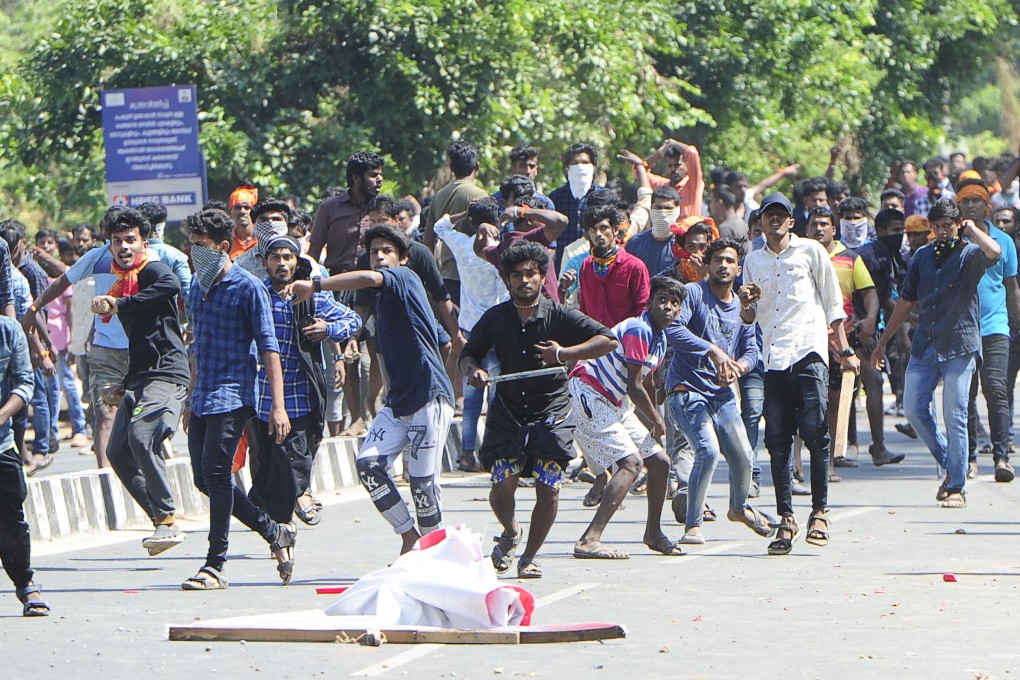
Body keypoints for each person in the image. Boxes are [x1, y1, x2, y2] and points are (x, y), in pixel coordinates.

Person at [294, 224, 455, 555]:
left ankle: (434, 554)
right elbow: (444, 340)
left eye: (387, 252)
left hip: (429, 398)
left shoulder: (405, 278)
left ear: (403, 258)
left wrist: (315, 285)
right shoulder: (391, 301)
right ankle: (410, 538)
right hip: (398, 402)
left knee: (423, 485)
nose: (379, 257)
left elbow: (369, 279)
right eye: (373, 252)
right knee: (368, 464)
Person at [460, 240, 616, 579]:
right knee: (503, 484)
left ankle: (529, 556)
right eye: (517, 275)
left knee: (548, 489)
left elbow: (607, 340)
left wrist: (563, 354)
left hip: (552, 414)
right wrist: (474, 371)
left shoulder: (560, 315)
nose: (524, 280)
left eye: (531, 273)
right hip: (508, 411)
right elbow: (468, 353)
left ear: (542, 277)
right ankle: (511, 530)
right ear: (506, 280)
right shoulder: (495, 318)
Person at [739, 192, 860, 555]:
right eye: (768, 215)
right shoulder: (752, 260)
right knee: (776, 441)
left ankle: (820, 512)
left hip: (808, 350)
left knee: (816, 432)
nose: (774, 220)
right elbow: (748, 317)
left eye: (781, 215)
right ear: (759, 222)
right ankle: (786, 520)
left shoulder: (811, 252)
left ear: (792, 221)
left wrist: (845, 349)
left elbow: (832, 302)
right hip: (773, 357)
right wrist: (746, 304)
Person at [182, 208, 296, 590]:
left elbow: (269, 347)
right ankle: (273, 531)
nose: (194, 253)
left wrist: (277, 406)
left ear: (224, 247)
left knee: (217, 473)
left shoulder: (249, 287)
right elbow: (196, 346)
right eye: (192, 245)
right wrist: (189, 397)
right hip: (202, 395)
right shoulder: (196, 287)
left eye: (202, 246)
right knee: (204, 478)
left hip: (233, 394)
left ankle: (215, 565)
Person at [872, 199, 1001, 509]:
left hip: (960, 344)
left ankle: (957, 485)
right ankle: (950, 463)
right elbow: (905, 301)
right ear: (931, 227)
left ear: (957, 226)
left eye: (948, 226)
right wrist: (882, 341)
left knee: (955, 413)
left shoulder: (969, 254)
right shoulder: (922, 257)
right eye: (937, 226)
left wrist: (971, 229)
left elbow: (994, 252)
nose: (943, 232)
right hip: (926, 342)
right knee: (915, 409)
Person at [87, 208, 191, 556]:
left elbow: (172, 285)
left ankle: (167, 515)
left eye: (130, 239)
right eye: (116, 241)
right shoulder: (122, 279)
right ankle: (162, 520)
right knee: (117, 451)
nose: (123, 247)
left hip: (167, 372)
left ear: (142, 242)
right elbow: (141, 341)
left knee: (140, 435)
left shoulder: (152, 269)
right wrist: (124, 384)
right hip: (140, 377)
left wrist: (120, 304)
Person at [667, 239, 777, 544]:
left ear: (738, 269)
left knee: (744, 455)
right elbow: (674, 330)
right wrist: (712, 351)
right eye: (717, 260)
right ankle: (692, 524)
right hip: (686, 390)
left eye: (729, 261)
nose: (723, 265)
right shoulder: (692, 293)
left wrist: (739, 367)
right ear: (708, 266)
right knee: (708, 450)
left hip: (723, 394)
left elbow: (752, 349)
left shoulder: (743, 308)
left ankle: (738, 509)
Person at [247, 235, 361, 526]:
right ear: (265, 263)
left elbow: (353, 320)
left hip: (302, 392)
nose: (282, 264)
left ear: (296, 261)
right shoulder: (255, 295)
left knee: (298, 454)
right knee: (266, 462)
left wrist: (329, 328)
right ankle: (281, 516)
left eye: (287, 257)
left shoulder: (312, 294)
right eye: (275, 258)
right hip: (261, 395)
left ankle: (298, 496)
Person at [568, 275, 684, 558]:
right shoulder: (638, 329)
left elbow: (644, 382)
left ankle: (653, 533)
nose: (668, 307)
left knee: (659, 462)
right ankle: (589, 539)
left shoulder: (660, 339)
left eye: (674, 303)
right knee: (631, 464)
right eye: (662, 300)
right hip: (589, 394)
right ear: (649, 302)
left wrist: (654, 406)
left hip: (615, 403)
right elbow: (634, 386)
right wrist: (657, 420)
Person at [434, 201, 510, 472]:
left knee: (471, 398)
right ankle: (490, 452)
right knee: (496, 397)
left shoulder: (463, 245)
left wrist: (465, 215)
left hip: (470, 329)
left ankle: (467, 453)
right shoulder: (502, 252)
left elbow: (439, 225)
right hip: (500, 329)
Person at [955, 180, 1020, 482]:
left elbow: (1010, 286)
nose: (970, 206)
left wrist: (1016, 323)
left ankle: (1001, 457)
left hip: (995, 326)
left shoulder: (1003, 242)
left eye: (976, 201)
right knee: (964, 396)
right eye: (965, 201)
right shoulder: (956, 240)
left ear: (987, 206)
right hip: (963, 327)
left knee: (996, 391)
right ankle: (969, 458)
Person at [0, 312, 48, 616]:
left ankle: (26, 584)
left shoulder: (8, 331)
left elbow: (23, 384)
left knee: (12, 521)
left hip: (1, 443)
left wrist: (2, 415)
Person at [423, 140, 490, 308]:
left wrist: (432, 275)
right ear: (477, 166)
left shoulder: (439, 196)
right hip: (473, 275)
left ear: (451, 168)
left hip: (446, 275)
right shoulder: (480, 196)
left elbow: (428, 239)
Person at [308, 151, 384, 277]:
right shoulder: (329, 208)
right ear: (356, 178)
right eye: (373, 175)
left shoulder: (382, 209)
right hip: (337, 282)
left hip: (374, 282)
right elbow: (314, 251)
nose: (380, 180)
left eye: (380, 175)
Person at [578, 204, 650, 328]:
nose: (598, 234)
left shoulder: (634, 267)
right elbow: (584, 308)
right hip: (594, 341)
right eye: (593, 229)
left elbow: (643, 311)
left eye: (603, 228)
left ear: (615, 230)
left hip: (624, 342)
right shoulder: (587, 265)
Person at [548, 142, 605, 268]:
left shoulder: (604, 196)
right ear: (567, 168)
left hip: (596, 262)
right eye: (575, 163)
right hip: (562, 262)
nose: (580, 167)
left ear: (593, 167)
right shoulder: (556, 197)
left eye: (585, 162)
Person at [137, 202, 192, 307]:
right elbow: (188, 292)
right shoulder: (176, 256)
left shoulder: (128, 254)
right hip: (167, 319)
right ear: (161, 226)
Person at [625, 185, 680, 276]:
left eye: (668, 208)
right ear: (651, 209)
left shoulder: (682, 246)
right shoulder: (635, 243)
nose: (662, 213)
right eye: (658, 208)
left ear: (677, 211)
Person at [643, 138, 705, 219]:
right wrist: (658, 154)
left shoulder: (694, 184)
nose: (673, 169)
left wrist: (674, 143)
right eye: (670, 166)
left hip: (690, 231)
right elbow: (639, 170)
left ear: (686, 166)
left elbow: (692, 154)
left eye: (677, 165)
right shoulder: (662, 187)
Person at [227, 181, 260, 259]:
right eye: (237, 207)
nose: (242, 211)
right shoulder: (225, 241)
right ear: (230, 212)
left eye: (247, 208)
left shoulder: (263, 238)